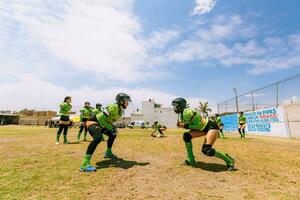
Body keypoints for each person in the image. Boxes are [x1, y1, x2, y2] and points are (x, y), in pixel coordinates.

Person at [172, 97, 235, 171]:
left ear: (180, 105)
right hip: (202, 128)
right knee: (186, 136)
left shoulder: (187, 112)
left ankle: (229, 161)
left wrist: (185, 126)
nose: (174, 108)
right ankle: (190, 159)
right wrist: (183, 126)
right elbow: (194, 126)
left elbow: (197, 124)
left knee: (207, 150)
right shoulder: (182, 114)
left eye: (175, 106)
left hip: (211, 127)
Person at [79, 93, 131, 172]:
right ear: (121, 101)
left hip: (102, 124)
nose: (128, 103)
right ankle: (84, 164)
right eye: (126, 101)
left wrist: (112, 127)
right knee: (98, 138)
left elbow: (109, 120)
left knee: (113, 135)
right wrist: (110, 128)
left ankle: (108, 153)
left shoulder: (120, 112)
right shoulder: (113, 107)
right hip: (94, 121)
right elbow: (102, 118)